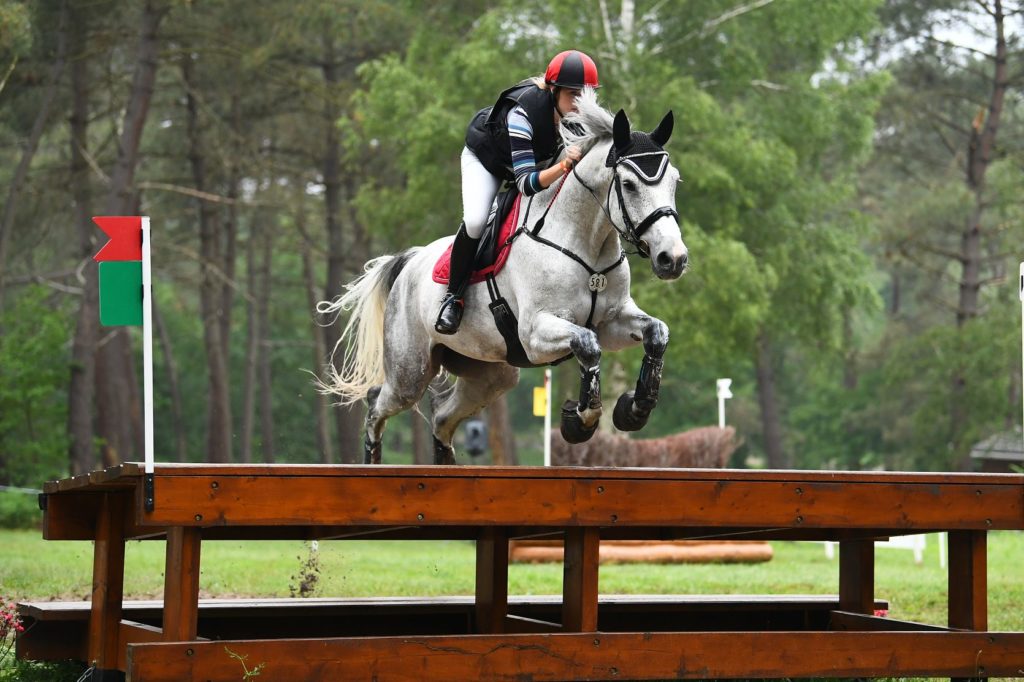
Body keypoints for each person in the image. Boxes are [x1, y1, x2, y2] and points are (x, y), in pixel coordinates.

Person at [434, 49, 601, 335]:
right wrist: (563, 166)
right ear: (553, 90)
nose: (579, 104)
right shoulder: (522, 113)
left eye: (584, 95)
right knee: (476, 220)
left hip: (533, 160)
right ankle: (454, 296)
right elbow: (525, 184)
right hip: (487, 159)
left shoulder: (577, 116)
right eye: (573, 95)